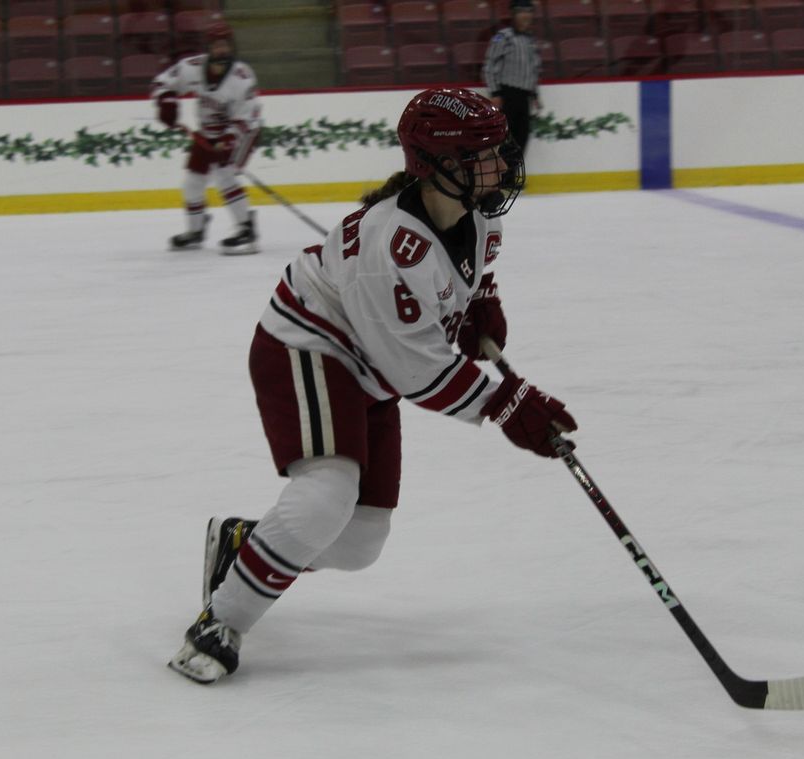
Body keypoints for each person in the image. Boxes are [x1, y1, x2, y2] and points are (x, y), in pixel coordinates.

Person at [168, 87, 578, 684]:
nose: (499, 166)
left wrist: (482, 301)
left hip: (370, 366)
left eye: (498, 151)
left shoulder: (480, 218)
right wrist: (507, 404)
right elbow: (418, 372)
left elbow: (471, 275)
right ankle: (219, 622)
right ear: (432, 165)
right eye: (479, 155)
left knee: (360, 543)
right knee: (325, 497)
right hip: (308, 347)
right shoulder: (391, 247)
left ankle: (244, 545)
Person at [151, 21, 262, 255]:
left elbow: (248, 116)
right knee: (192, 182)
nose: (222, 50)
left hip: (244, 131)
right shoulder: (192, 67)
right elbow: (162, 82)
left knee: (225, 175)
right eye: (217, 45)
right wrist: (167, 101)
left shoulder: (241, 77)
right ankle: (196, 230)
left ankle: (246, 230)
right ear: (209, 48)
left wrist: (230, 139)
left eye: (226, 45)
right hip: (208, 133)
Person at [482, 0, 543, 156]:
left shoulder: (531, 40)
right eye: (522, 12)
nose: (526, 16)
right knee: (506, 137)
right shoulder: (502, 37)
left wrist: (535, 94)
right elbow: (489, 65)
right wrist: (495, 93)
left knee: (522, 137)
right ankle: (503, 176)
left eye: (529, 12)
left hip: (524, 97)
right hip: (508, 94)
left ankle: (513, 175)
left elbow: (533, 68)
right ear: (514, 14)